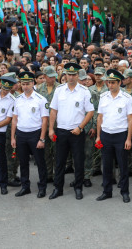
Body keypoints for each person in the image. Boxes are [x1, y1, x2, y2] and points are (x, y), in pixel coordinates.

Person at [48, 63, 94, 200]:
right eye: (69, 74)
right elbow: (53, 111)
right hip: (61, 130)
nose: (72, 77)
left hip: (77, 132)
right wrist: (51, 128)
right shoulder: (59, 90)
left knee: (78, 161)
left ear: (78, 76)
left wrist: (80, 127)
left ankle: (78, 188)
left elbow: (90, 111)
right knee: (60, 161)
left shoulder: (84, 91)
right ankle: (58, 188)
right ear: (65, 75)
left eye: (74, 74)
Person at [95, 69, 132, 203]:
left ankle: (124, 191)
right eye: (108, 82)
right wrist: (98, 136)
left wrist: (128, 138)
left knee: (123, 165)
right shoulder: (103, 97)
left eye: (112, 83)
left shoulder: (127, 98)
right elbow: (100, 117)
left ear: (119, 83)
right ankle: (107, 191)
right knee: (106, 165)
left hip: (120, 135)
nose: (110, 85)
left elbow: (130, 119)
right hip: (106, 134)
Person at [11, 71, 49, 198]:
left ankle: (42, 187)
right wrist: (13, 137)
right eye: (23, 84)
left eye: (28, 83)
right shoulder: (18, 100)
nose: (25, 86)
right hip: (21, 134)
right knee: (23, 162)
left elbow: (45, 120)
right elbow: (14, 119)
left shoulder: (40, 100)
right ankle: (25, 186)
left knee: (40, 162)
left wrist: (42, 139)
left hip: (35, 134)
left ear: (33, 83)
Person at [37, 66, 60, 183]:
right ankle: (48, 174)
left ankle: (57, 176)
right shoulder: (39, 89)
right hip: (43, 124)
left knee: (57, 152)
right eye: (50, 77)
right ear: (44, 77)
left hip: (57, 124)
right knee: (45, 152)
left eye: (54, 76)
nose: (53, 79)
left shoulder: (60, 88)